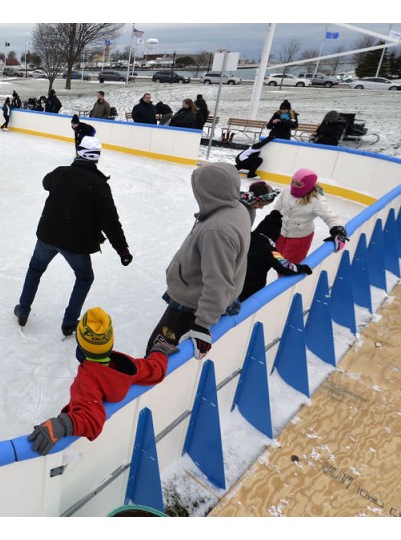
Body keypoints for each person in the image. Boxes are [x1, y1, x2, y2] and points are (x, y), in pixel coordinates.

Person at [14, 136, 132, 337]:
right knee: (85, 277)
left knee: (35, 269)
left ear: (79, 153)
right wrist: (122, 250)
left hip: (47, 235)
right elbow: (110, 222)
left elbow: (46, 182)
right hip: (74, 244)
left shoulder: (61, 173)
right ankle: (69, 322)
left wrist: (67, 175)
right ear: (96, 159)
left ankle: (23, 310)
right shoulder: (98, 185)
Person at [28, 307, 175, 456]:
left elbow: (91, 419)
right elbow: (155, 370)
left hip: (81, 452)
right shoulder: (126, 366)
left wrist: (61, 424)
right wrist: (159, 352)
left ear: (81, 345)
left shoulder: (87, 380)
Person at [144, 162, 251, 359]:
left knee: (155, 355)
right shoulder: (237, 209)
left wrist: (202, 324)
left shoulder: (217, 230)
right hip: (193, 294)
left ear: (208, 191)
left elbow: (218, 282)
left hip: (190, 305)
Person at [272, 168, 347, 264]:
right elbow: (277, 208)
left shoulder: (316, 200)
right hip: (280, 234)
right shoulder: (287, 191)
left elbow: (330, 217)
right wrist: (271, 223)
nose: (294, 186)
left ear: (308, 186)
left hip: (299, 239)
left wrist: (338, 231)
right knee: (278, 261)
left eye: (299, 184)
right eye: (293, 182)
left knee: (289, 266)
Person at [239, 210, 313, 302]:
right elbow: (285, 267)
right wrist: (303, 268)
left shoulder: (244, 237)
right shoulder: (270, 250)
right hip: (248, 292)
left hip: (230, 284)